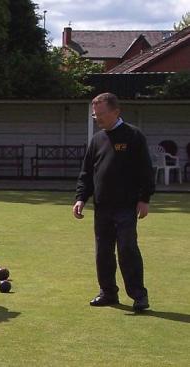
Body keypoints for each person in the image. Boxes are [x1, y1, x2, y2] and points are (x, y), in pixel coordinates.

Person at [73, 92, 155, 312]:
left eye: (101, 114)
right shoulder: (97, 140)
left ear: (116, 112)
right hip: (102, 207)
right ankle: (108, 293)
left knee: (127, 249)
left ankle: (139, 296)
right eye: (94, 115)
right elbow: (87, 173)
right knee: (103, 252)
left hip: (126, 206)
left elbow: (145, 170)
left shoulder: (133, 136)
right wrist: (81, 198)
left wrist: (144, 199)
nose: (97, 119)